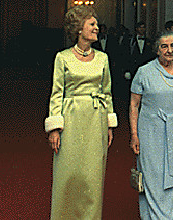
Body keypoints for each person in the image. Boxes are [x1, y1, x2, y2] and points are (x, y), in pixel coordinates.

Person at [45, 5, 117, 219]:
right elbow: (56, 94)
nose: (97, 28)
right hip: (71, 121)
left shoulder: (103, 58)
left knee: (92, 177)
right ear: (79, 28)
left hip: (96, 121)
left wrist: (109, 125)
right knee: (68, 174)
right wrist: (55, 129)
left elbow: (107, 93)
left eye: (96, 24)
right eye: (92, 24)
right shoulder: (62, 57)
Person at [129, 30, 173, 219]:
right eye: (164, 46)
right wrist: (134, 135)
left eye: (172, 46)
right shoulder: (144, 72)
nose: (169, 50)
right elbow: (134, 105)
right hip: (150, 134)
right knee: (153, 179)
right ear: (157, 49)